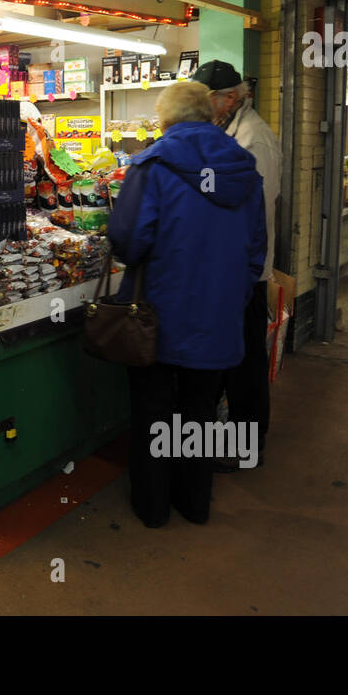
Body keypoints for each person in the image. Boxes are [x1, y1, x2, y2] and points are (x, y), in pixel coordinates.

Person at [107, 81, 266, 528]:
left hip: (158, 313)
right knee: (199, 411)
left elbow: (128, 239)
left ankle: (153, 507)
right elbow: (257, 249)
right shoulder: (243, 169)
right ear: (211, 113)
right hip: (219, 315)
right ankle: (195, 503)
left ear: (165, 118)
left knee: (152, 409)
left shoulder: (152, 164)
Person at [192, 60, 281, 469]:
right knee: (233, 358)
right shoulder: (229, 129)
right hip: (230, 267)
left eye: (205, 100)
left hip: (243, 269)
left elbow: (254, 214)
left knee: (245, 361)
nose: (202, 108)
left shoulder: (254, 139)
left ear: (230, 97)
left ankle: (247, 445)